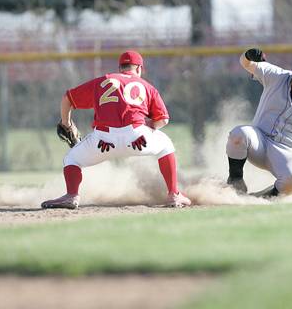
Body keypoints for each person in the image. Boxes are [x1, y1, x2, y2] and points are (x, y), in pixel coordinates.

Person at [41, 51, 191, 209]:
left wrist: (67, 123)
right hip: (138, 138)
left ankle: (72, 196)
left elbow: (68, 98)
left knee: (71, 159)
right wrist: (149, 126)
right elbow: (163, 119)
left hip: (103, 140)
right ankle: (174, 195)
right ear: (139, 68)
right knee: (166, 145)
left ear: (120, 68)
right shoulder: (147, 86)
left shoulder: (103, 80)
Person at [225, 48, 292, 199]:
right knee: (238, 135)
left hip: (288, 151)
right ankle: (235, 182)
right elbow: (246, 64)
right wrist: (248, 56)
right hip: (259, 141)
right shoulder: (278, 76)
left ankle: (259, 200)